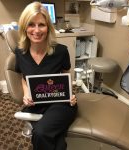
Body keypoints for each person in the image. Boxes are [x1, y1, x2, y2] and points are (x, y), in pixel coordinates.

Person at [15, 2, 77, 150]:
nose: (36, 30)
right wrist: (26, 93)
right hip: (36, 104)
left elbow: (66, 76)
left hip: (60, 104)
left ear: (48, 27)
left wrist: (70, 93)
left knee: (41, 133)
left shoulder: (61, 51)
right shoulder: (20, 52)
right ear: (24, 27)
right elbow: (24, 78)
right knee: (58, 143)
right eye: (31, 24)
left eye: (41, 25)